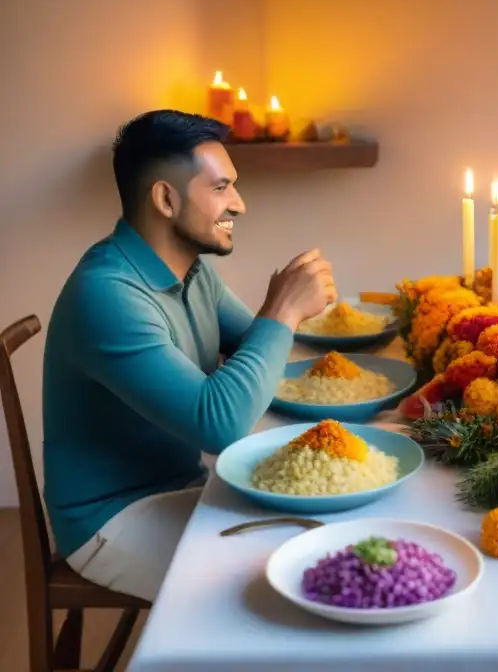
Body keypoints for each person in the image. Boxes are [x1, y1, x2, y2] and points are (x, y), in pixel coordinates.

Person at [42, 109, 337, 601]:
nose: (238, 204)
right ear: (165, 198)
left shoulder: (193, 272)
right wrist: (282, 312)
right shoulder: (107, 294)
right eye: (221, 188)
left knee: (320, 530)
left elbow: (254, 355)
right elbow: (220, 423)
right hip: (112, 520)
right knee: (287, 581)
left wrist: (284, 316)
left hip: (183, 486)